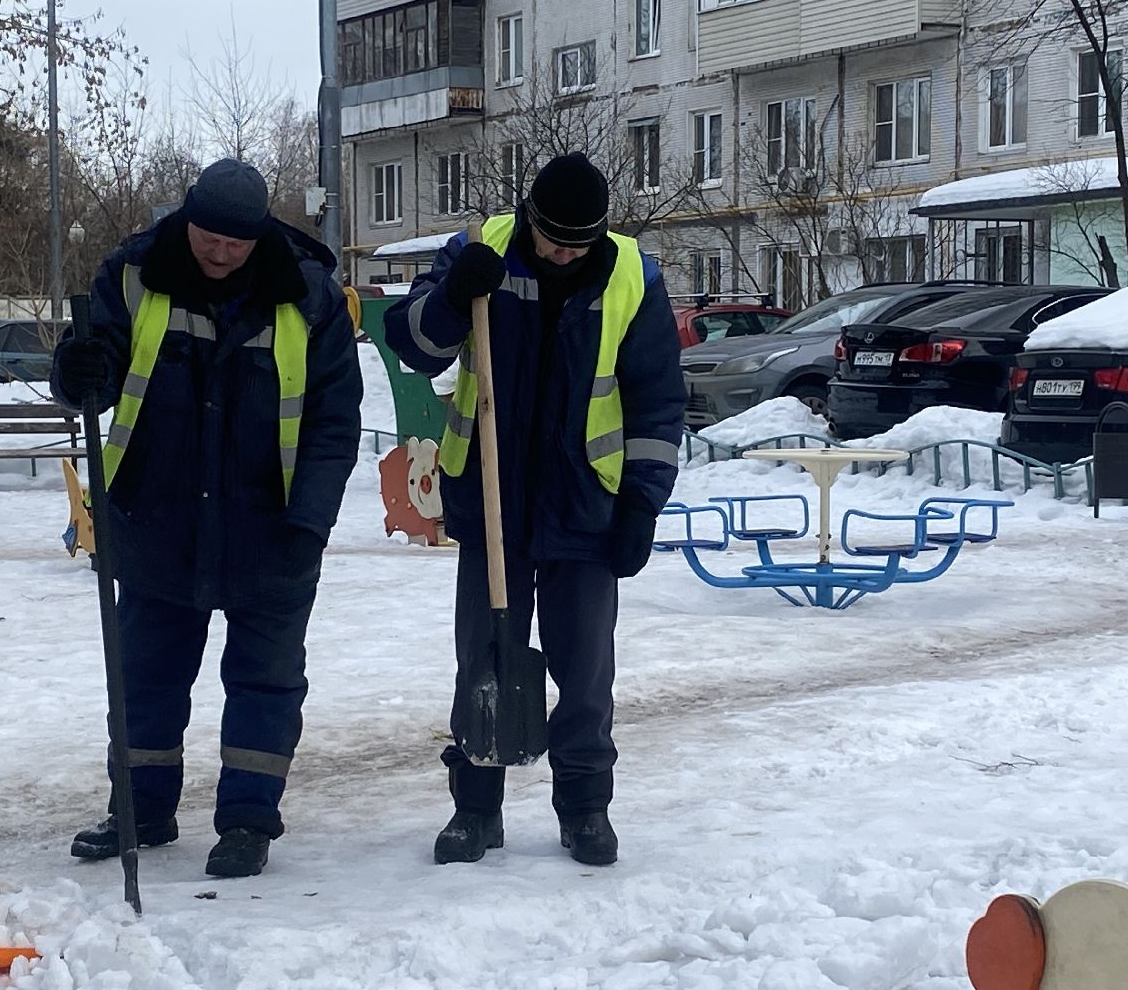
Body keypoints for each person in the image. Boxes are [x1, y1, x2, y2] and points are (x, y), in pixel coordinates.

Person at [51, 159, 363, 878]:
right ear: (185, 218)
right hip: (157, 516)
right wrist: (77, 372)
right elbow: (86, 375)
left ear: (259, 237)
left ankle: (249, 822)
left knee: (266, 681)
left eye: (234, 243)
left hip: (273, 528)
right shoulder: (133, 274)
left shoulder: (309, 298)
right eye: (206, 237)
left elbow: (332, 424)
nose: (218, 254)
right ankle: (140, 809)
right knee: (147, 677)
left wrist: (310, 523)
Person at [383, 153, 685, 868]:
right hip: (493, 506)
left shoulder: (632, 280)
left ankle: (584, 807)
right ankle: (476, 808)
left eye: (577, 245)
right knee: (484, 660)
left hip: (588, 508)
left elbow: (657, 401)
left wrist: (642, 502)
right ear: (529, 220)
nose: (562, 254)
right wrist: (455, 295)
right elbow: (412, 345)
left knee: (584, 673)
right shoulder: (478, 252)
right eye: (552, 240)